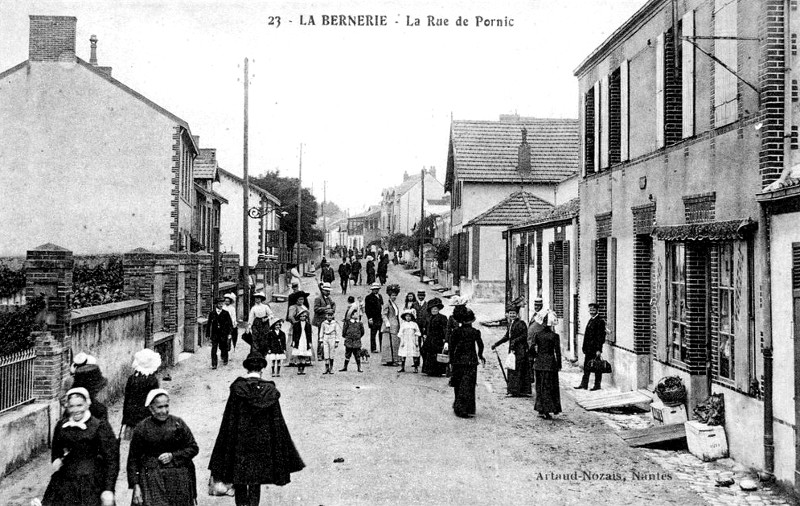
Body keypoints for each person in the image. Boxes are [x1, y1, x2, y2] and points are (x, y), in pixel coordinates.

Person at [208, 350, 305, 506]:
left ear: (247, 369)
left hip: (240, 443)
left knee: (239, 478)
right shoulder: (269, 391)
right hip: (262, 444)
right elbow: (277, 422)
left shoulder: (237, 388)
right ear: (262, 369)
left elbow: (229, 419)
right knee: (256, 480)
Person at [40, 387, 119, 506]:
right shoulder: (62, 426)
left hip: (91, 481)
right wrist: (56, 459)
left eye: (79, 405)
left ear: (87, 405)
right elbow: (56, 449)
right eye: (71, 406)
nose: (75, 410)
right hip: (65, 480)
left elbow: (111, 459)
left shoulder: (99, 426)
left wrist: (109, 489)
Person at [127, 389, 198, 506]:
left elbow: (193, 447)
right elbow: (133, 459)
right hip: (152, 480)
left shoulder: (178, 423)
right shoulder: (141, 429)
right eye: (159, 407)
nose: (164, 411)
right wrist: (136, 486)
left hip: (178, 479)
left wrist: (173, 456)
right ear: (151, 408)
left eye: (166, 406)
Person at [448, 310, 485, 418]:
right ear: (471, 321)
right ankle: (469, 408)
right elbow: (480, 345)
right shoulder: (475, 332)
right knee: (469, 384)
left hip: (458, 361)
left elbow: (451, 347)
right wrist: (480, 355)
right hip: (471, 361)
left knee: (459, 384)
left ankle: (459, 408)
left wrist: (451, 361)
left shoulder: (456, 332)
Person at [491, 303, 532, 397]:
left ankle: (517, 391)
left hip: (520, 350)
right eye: (510, 313)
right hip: (513, 349)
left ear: (517, 314)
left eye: (514, 313)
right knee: (512, 368)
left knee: (517, 369)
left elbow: (524, 336)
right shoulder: (510, 324)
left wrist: (514, 341)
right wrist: (496, 344)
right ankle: (514, 390)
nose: (512, 315)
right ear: (508, 314)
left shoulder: (521, 323)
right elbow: (506, 337)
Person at [121, 348, 161, 440]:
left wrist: (125, 418)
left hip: (132, 417)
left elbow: (127, 399)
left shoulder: (132, 378)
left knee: (134, 442)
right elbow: (155, 401)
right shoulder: (152, 380)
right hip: (146, 417)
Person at [531, 311, 563, 419]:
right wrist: (559, 364)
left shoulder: (537, 335)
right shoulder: (554, 336)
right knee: (549, 387)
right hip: (550, 364)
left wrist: (536, 356)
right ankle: (549, 409)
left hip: (539, 363)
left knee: (540, 387)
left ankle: (541, 409)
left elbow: (532, 349)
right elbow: (557, 352)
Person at [575, 302, 607, 391]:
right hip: (589, 349)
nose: (591, 311)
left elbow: (600, 337)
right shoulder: (591, 320)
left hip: (595, 349)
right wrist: (584, 347)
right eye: (590, 309)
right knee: (587, 366)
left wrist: (598, 349)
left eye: (593, 309)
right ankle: (584, 384)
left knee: (597, 367)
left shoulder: (600, 321)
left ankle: (597, 385)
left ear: (597, 310)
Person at [421, 298, 447, 377]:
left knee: (436, 354)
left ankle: (437, 371)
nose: (434, 310)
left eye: (436, 309)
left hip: (438, 339)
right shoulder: (429, 317)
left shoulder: (442, 317)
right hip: (429, 338)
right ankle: (428, 370)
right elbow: (426, 327)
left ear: (438, 309)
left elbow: (445, 329)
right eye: (433, 309)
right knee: (425, 351)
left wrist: (445, 339)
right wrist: (425, 334)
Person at [248, 291, 274, 363]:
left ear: (261, 299)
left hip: (264, 323)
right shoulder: (253, 308)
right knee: (255, 338)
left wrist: (267, 318)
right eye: (256, 298)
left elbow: (271, 315)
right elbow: (251, 317)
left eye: (259, 298)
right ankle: (256, 355)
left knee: (264, 338)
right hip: (256, 323)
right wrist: (249, 326)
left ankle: (263, 354)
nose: (257, 300)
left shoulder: (265, 307)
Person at [208, 297, 234, 369]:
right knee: (214, 349)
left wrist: (229, 333)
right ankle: (214, 364)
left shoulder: (226, 313)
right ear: (216, 304)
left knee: (224, 347)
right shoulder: (212, 313)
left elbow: (230, 324)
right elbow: (209, 324)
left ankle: (225, 359)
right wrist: (208, 335)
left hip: (223, 334)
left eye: (221, 304)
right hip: (215, 335)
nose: (220, 305)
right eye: (219, 304)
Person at [285, 290, 310, 366]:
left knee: (304, 341)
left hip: (304, 326)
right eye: (299, 299)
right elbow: (290, 316)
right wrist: (295, 323)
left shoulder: (304, 307)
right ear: (296, 300)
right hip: (296, 327)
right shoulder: (293, 307)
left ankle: (304, 359)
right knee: (294, 342)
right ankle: (292, 360)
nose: (301, 301)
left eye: (302, 299)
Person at [313, 282, 336, 362]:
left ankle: (324, 354)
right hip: (320, 320)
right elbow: (315, 309)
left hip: (327, 321)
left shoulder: (328, 298)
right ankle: (319, 354)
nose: (328, 292)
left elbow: (333, 304)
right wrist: (325, 308)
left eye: (329, 291)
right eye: (327, 291)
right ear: (322, 290)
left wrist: (332, 310)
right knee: (321, 338)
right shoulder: (318, 298)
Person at [381, 284, 401, 366]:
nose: (394, 297)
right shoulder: (387, 304)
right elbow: (384, 314)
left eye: (395, 295)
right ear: (389, 295)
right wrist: (387, 322)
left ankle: (395, 359)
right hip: (389, 326)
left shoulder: (394, 304)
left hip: (395, 325)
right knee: (389, 343)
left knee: (395, 343)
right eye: (392, 295)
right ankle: (389, 359)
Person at [397, 308, 421, 373]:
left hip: (412, 340)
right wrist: (402, 341)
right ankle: (402, 367)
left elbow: (417, 333)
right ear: (405, 317)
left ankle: (415, 368)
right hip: (405, 340)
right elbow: (400, 333)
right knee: (403, 354)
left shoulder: (414, 324)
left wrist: (416, 341)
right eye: (407, 316)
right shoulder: (403, 324)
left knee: (414, 354)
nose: (408, 318)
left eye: (409, 316)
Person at [291, 308, 313, 375]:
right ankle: (298, 369)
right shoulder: (296, 325)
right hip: (299, 340)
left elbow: (309, 334)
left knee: (303, 355)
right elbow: (294, 334)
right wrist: (293, 341)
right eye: (301, 316)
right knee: (298, 355)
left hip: (305, 340)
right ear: (299, 317)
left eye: (304, 316)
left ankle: (302, 370)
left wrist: (310, 342)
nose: (302, 317)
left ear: (306, 317)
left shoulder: (308, 325)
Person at [319, 309, 341, 374]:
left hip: (332, 337)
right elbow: (321, 332)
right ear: (326, 316)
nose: (329, 317)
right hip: (326, 337)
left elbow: (337, 332)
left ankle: (331, 368)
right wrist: (321, 341)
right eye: (328, 315)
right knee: (326, 353)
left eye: (331, 315)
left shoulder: (335, 323)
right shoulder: (323, 323)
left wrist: (337, 341)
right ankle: (326, 368)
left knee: (332, 353)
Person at [365, 282, 384, 353]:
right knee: (373, 333)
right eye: (374, 289)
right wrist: (369, 318)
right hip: (373, 318)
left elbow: (382, 305)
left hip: (380, 317)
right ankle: (373, 348)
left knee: (381, 333)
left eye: (377, 289)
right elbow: (367, 309)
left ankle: (382, 347)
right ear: (372, 290)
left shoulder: (380, 296)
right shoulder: (368, 297)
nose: (376, 290)